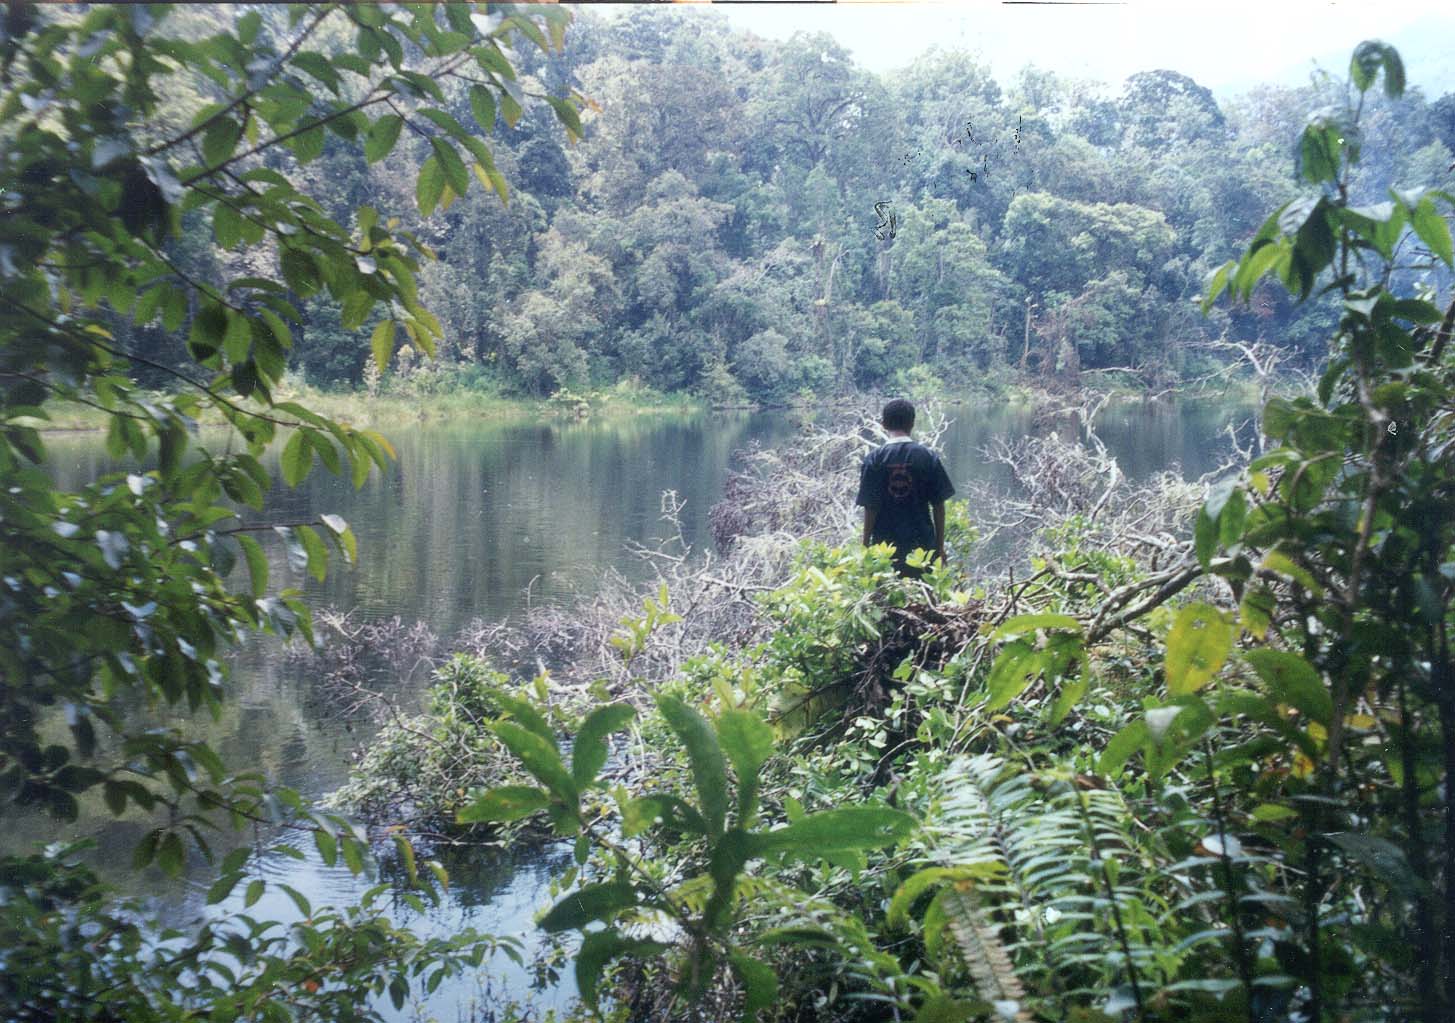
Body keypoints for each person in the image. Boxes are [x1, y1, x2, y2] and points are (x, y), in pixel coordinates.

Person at [855, 398, 956, 578]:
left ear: (884, 424)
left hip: (884, 549)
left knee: (887, 598)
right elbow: (938, 507)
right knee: (923, 599)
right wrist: (939, 547)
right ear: (912, 423)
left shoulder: (874, 460)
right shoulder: (928, 457)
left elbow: (870, 508)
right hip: (922, 546)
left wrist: (865, 547)